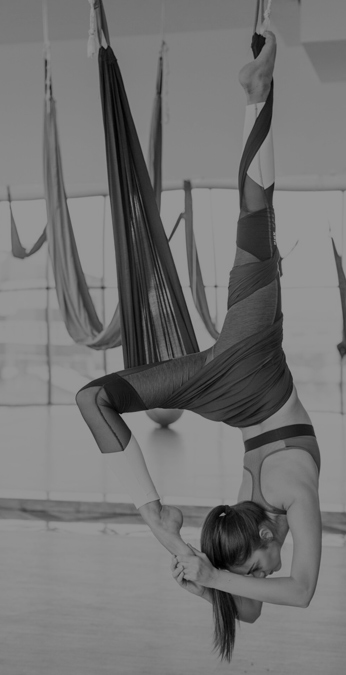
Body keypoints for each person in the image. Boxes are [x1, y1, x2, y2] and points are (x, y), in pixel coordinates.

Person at [75, 30, 323, 662]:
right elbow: (269, 604)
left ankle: (258, 94)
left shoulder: (289, 494)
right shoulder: (256, 509)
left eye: (260, 566)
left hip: (252, 363)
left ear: (264, 530)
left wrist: (200, 568)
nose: (266, 574)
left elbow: (290, 593)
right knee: (94, 398)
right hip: (224, 389)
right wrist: (191, 562)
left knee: (258, 216)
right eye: (260, 570)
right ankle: (151, 509)